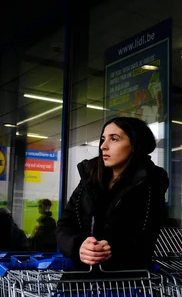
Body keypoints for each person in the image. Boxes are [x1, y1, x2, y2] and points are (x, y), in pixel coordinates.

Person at [56, 116, 169, 274]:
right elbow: (65, 224)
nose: (103, 146)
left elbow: (146, 234)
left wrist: (110, 249)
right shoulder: (90, 176)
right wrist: (78, 246)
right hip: (79, 280)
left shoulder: (151, 181)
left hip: (125, 284)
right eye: (103, 139)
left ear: (135, 145)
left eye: (114, 139)